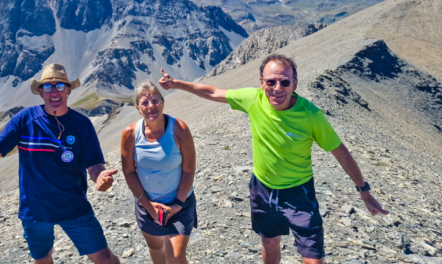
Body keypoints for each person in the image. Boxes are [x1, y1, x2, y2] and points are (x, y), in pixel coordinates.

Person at [158, 54, 389, 264]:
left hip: (300, 193)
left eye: (284, 82)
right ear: (261, 83)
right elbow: (212, 92)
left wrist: (364, 191)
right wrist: (177, 84)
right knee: (269, 243)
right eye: (271, 82)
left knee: (313, 258)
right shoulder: (253, 99)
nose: (277, 88)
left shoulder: (311, 115)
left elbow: (340, 151)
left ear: (294, 84)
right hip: (262, 189)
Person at [0, 63, 121, 264]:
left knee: (105, 259)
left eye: (60, 86)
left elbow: (93, 164)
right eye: (47, 87)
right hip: (35, 210)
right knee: (43, 259)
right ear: (40, 92)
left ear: (69, 90)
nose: (54, 92)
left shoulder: (82, 124)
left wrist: (100, 177)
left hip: (74, 206)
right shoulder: (24, 120)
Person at [121, 80, 197, 264]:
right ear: (138, 108)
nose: (151, 106)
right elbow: (129, 171)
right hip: (147, 205)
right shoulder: (130, 134)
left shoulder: (179, 129)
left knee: (176, 256)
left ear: (163, 102)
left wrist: (178, 204)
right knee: (156, 249)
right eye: (145, 103)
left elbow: (188, 170)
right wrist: (148, 206)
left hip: (179, 203)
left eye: (155, 100)